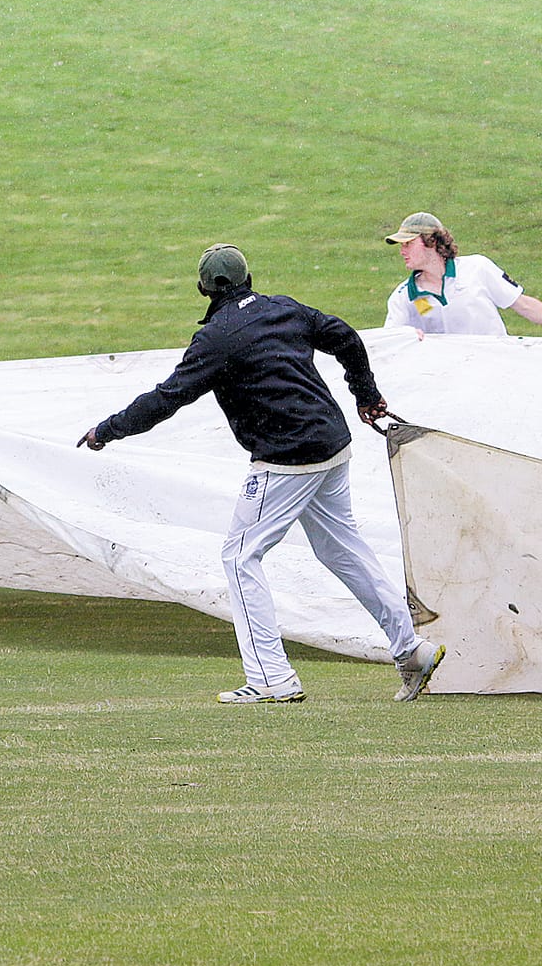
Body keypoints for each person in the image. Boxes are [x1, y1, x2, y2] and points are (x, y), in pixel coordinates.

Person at [78, 244, 443, 705]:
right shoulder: (285, 310)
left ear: (203, 289)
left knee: (239, 556)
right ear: (249, 279)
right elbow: (346, 337)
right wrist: (365, 395)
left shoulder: (215, 339)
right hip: (333, 444)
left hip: (287, 457)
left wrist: (105, 431)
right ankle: (410, 650)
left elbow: (167, 398)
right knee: (342, 549)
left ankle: (272, 677)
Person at [384, 212, 542, 342]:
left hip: (497, 369)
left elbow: (523, 305)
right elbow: (390, 339)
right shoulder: (404, 297)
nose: (403, 251)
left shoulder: (477, 268)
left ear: (431, 241)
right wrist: (405, 336)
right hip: (449, 383)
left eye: (408, 243)